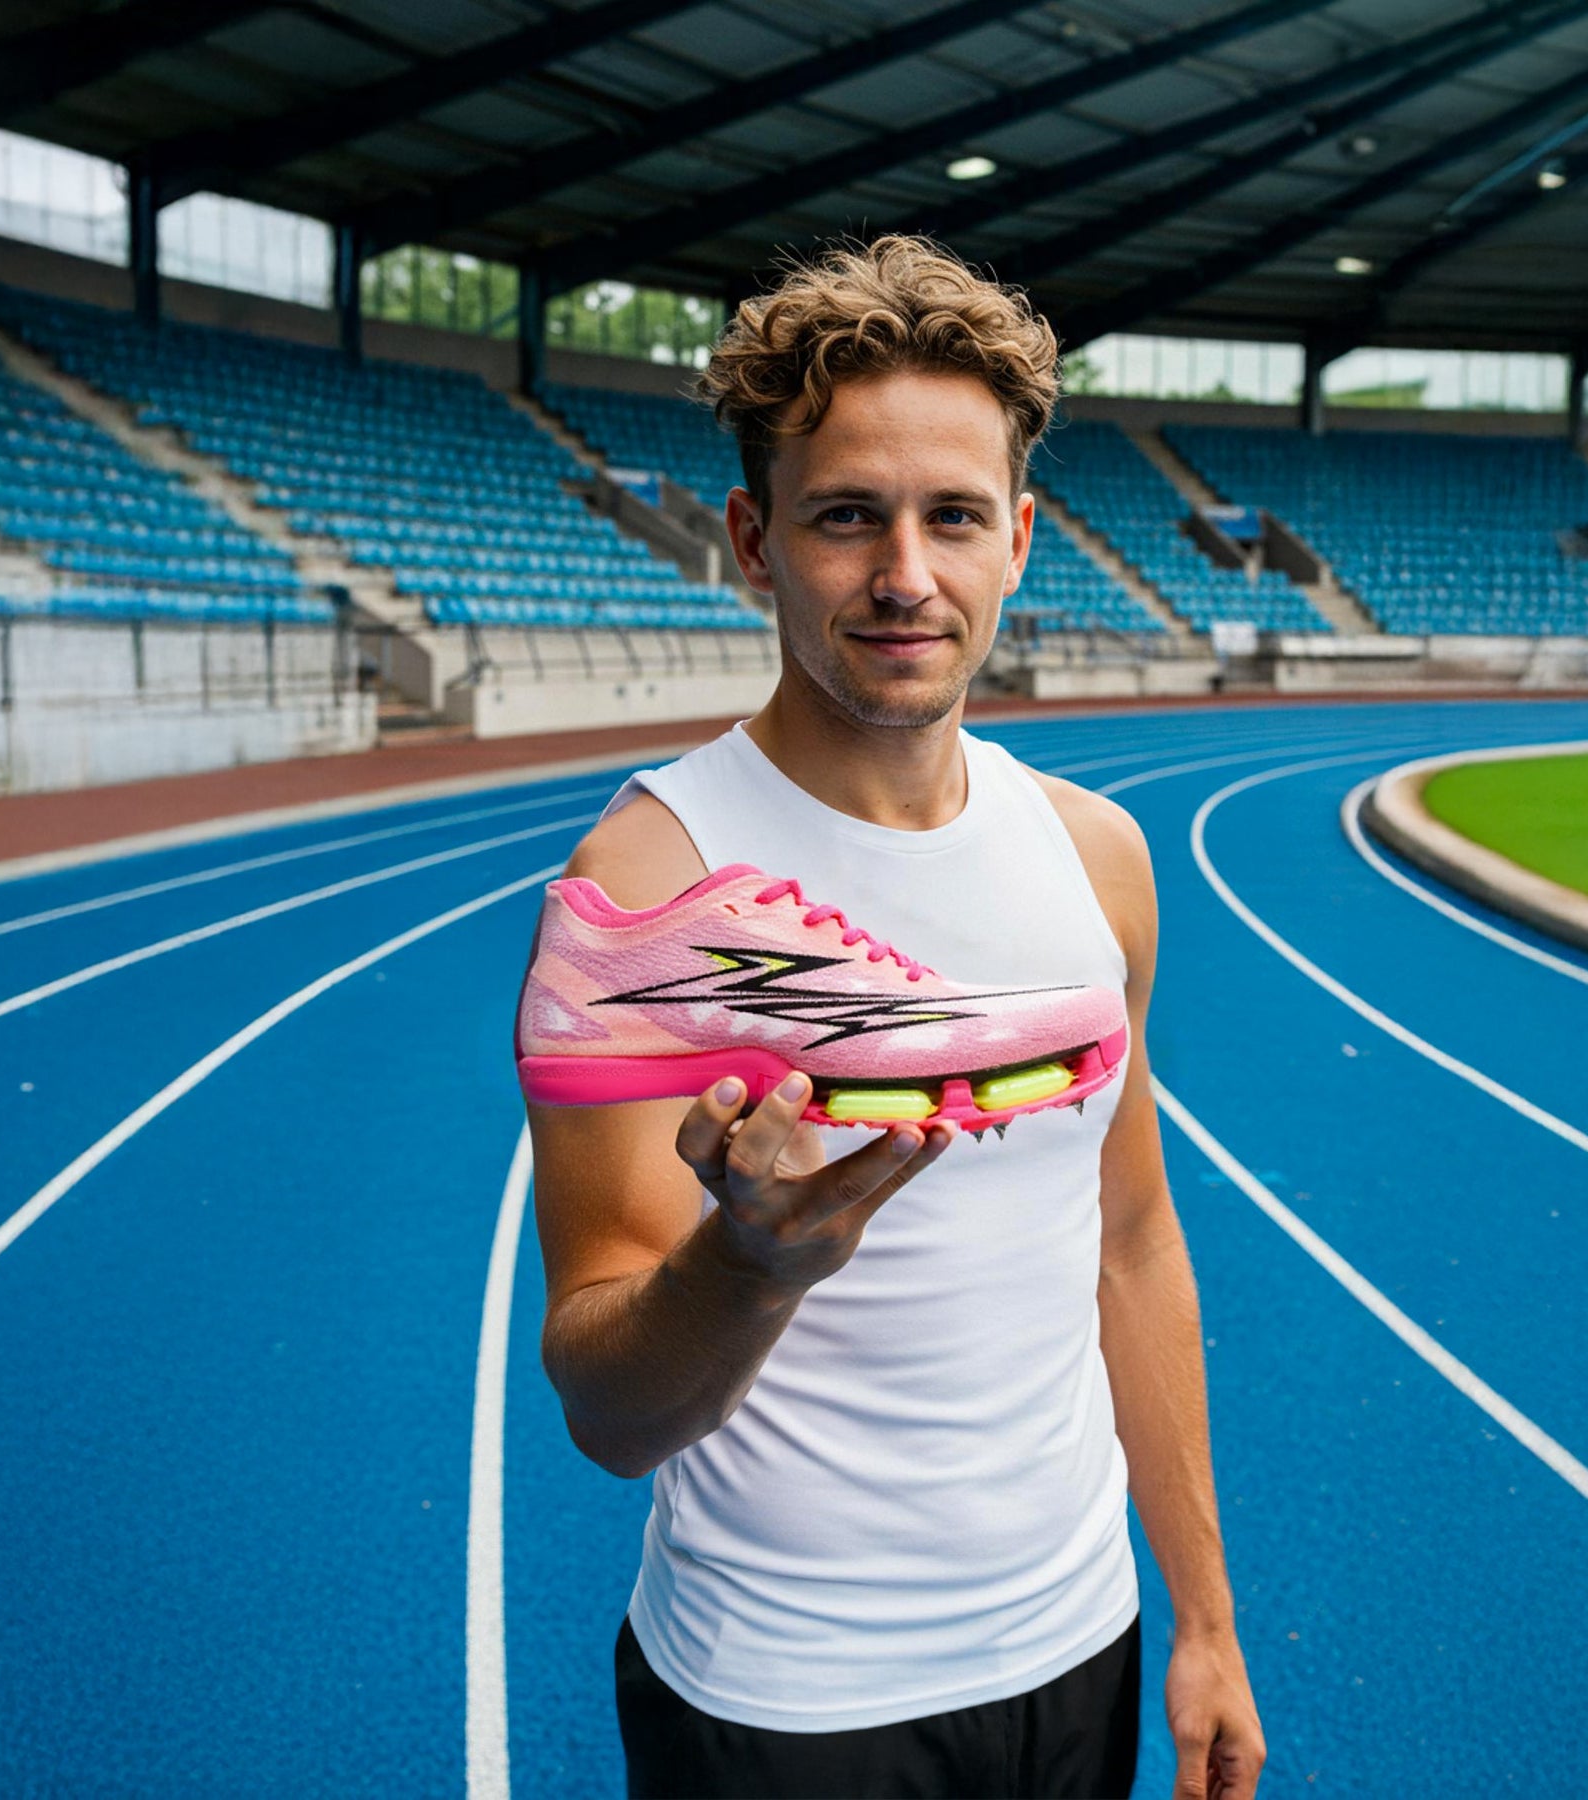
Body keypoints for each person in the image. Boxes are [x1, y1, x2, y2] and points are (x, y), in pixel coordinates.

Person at [527, 236, 1265, 1799]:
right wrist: (748, 1266)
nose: (906, 575)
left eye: (954, 517)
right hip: (785, 1701)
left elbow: (1131, 1242)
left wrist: (1204, 1615)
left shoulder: (1099, 858)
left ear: (1021, 540)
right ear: (755, 537)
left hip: (1080, 1645)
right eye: (848, 515)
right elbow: (606, 1410)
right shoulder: (648, 891)